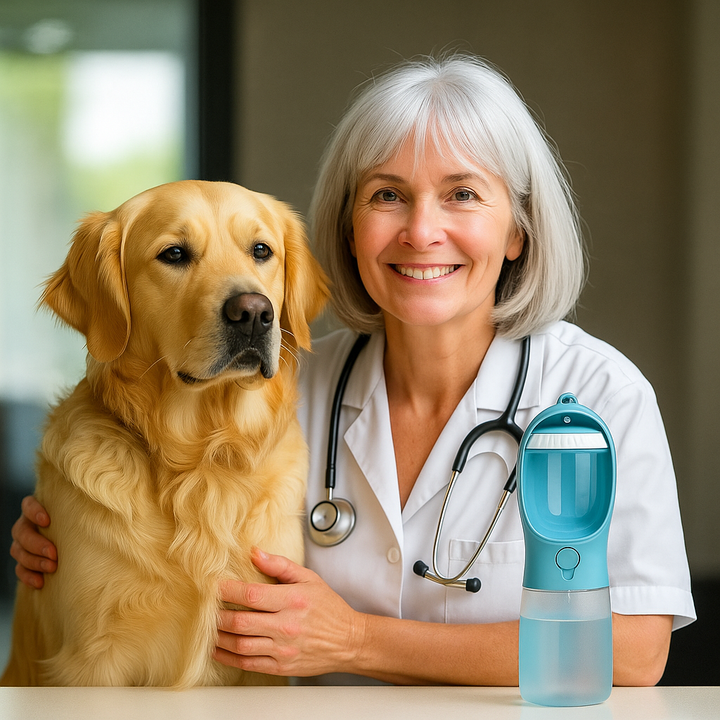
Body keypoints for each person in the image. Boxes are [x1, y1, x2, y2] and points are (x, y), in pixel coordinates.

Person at [11, 54, 695, 686]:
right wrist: (67, 533)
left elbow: (636, 653)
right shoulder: (283, 390)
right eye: (387, 196)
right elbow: (148, 495)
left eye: (462, 194)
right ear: (347, 229)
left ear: (517, 230)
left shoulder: (600, 395)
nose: (421, 231)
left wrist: (359, 642)